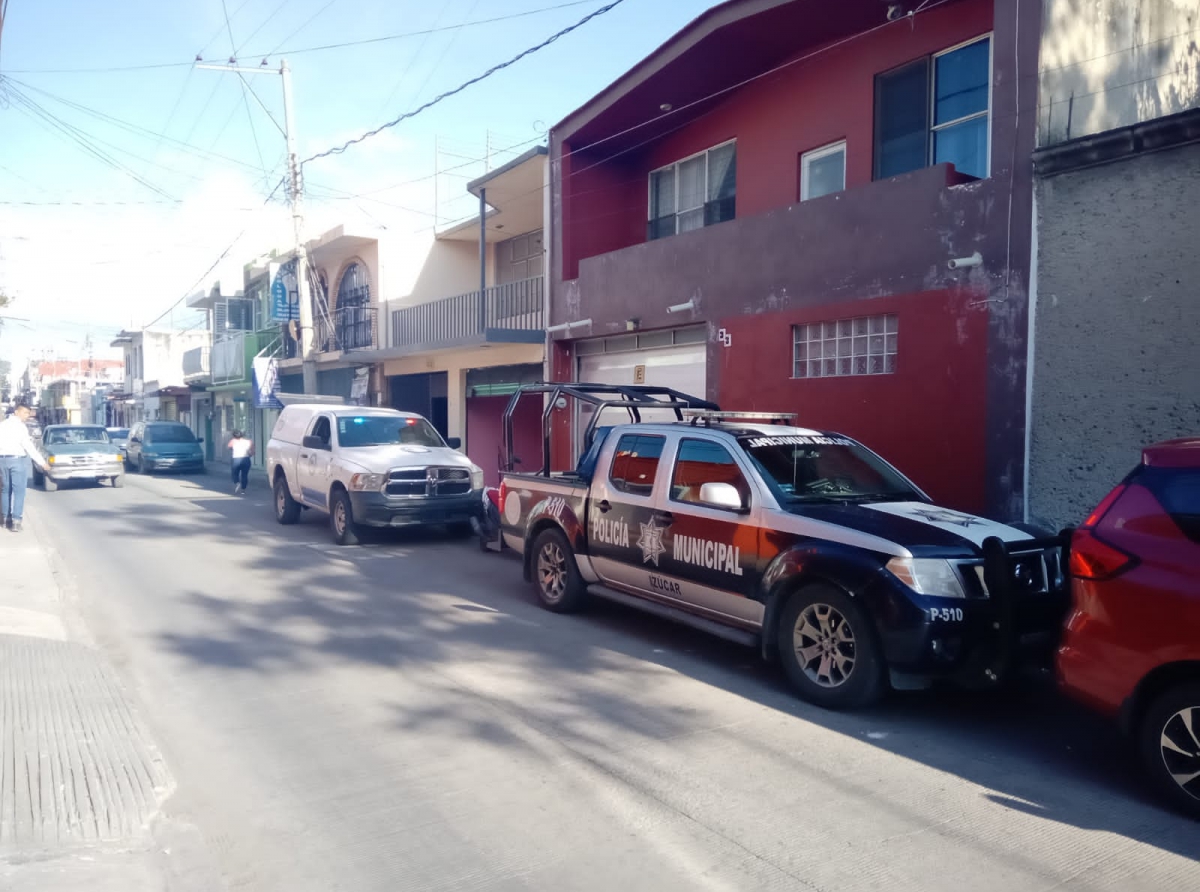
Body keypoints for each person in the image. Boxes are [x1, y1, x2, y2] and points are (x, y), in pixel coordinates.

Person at [0, 403, 52, 532]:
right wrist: (42, 462)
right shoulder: (20, 427)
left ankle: (5, 519)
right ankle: (16, 521)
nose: (27, 416)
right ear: (17, 412)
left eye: (28, 413)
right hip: (17, 460)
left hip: (2, 460)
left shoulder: (2, 425)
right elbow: (29, 447)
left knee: (5, 490)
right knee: (19, 491)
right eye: (25, 413)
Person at [227, 430, 254, 495]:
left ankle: (237, 483)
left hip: (236, 459)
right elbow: (252, 451)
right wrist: (249, 454)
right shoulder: (248, 441)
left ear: (234, 436)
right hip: (246, 459)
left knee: (234, 474)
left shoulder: (232, 441)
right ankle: (243, 490)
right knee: (244, 475)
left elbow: (229, 447)